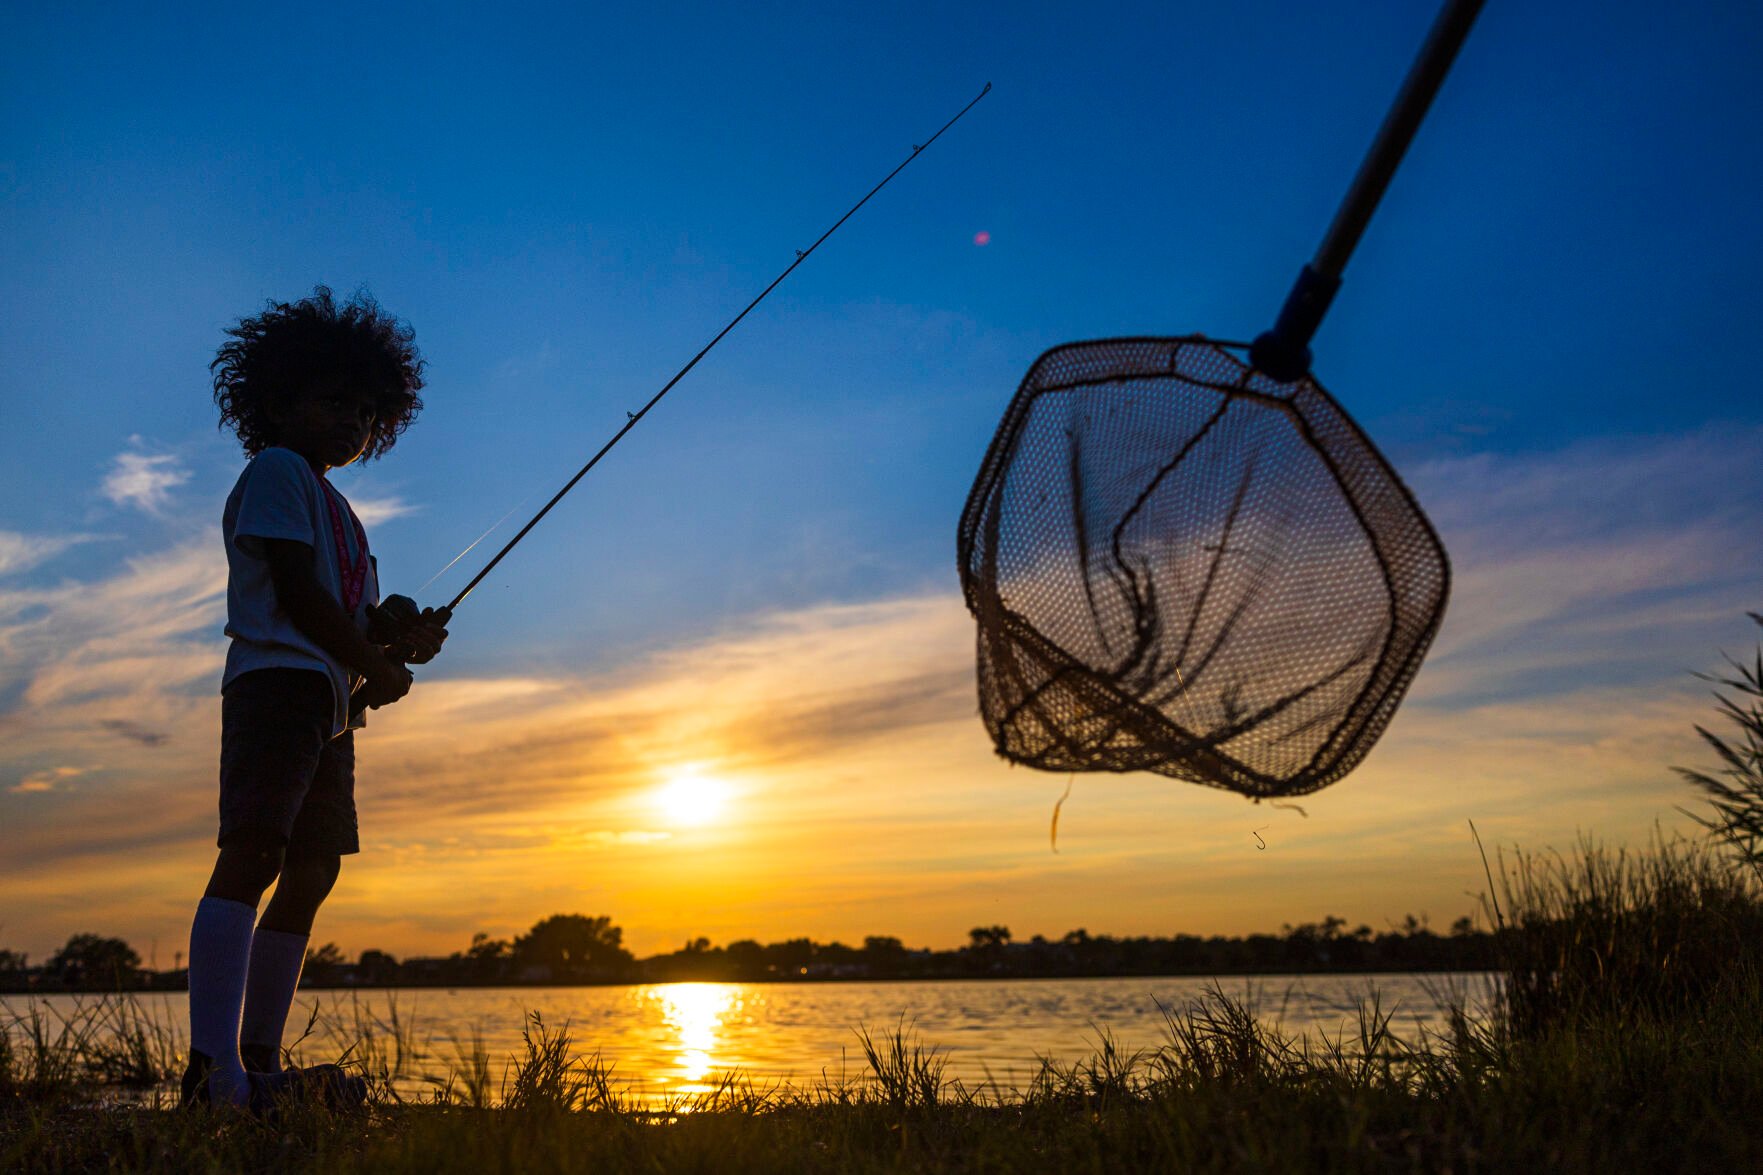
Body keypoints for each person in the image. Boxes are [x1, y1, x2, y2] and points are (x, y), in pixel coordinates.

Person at [182, 286, 448, 1110]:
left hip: (329, 708)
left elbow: (350, 610)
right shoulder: (275, 472)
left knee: (315, 866)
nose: (352, 421)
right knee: (255, 852)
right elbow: (298, 594)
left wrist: (395, 637)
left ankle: (256, 1062)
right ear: (279, 399)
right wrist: (372, 652)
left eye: (367, 411)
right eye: (334, 401)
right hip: (275, 690)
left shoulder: (343, 512)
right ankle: (210, 1071)